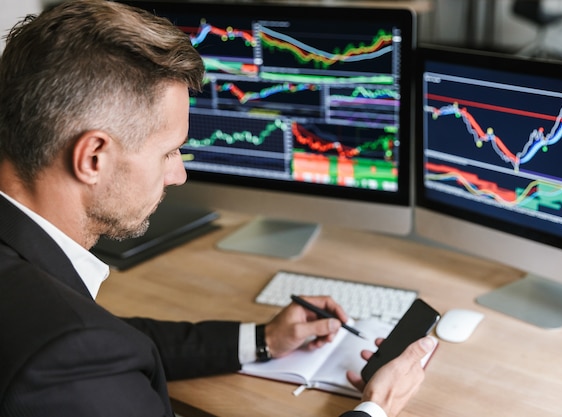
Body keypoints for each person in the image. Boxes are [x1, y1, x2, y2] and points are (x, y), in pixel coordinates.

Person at [0, 1, 436, 416]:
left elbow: (113, 340)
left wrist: (261, 340)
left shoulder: (48, 309)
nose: (178, 175)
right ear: (93, 157)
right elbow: (87, 348)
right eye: (170, 152)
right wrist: (376, 406)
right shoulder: (66, 355)